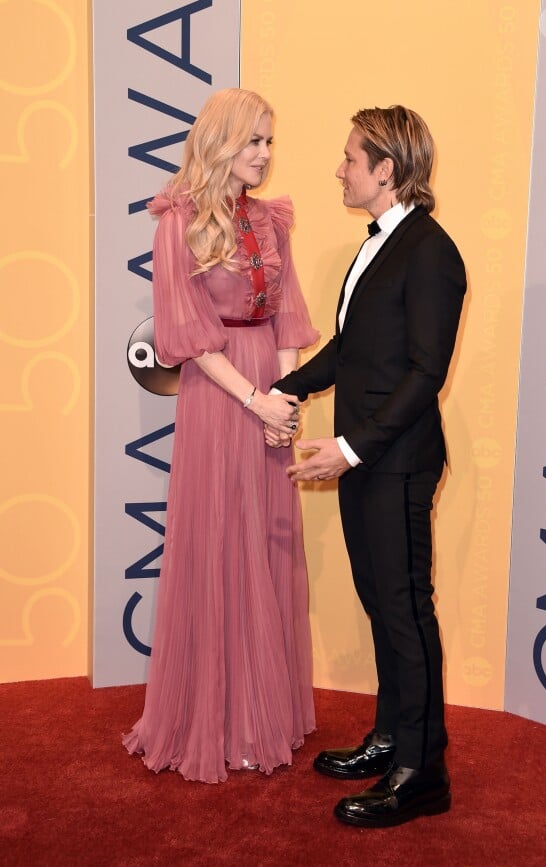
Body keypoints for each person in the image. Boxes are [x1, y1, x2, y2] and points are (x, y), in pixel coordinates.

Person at [270, 105, 466, 827]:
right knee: (385, 606)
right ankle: (392, 737)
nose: (340, 169)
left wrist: (350, 448)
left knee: (407, 611)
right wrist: (283, 388)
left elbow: (426, 373)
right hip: (365, 459)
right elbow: (351, 350)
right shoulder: (381, 244)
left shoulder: (431, 252)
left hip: (398, 461)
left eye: (351, 158)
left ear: (387, 170)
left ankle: (423, 771)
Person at [123, 88, 318, 784]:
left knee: (264, 538)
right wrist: (256, 400)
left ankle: (261, 714)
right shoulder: (176, 222)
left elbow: (290, 316)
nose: (264, 154)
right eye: (253, 141)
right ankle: (213, 717)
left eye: (269, 141)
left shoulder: (272, 220)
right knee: (217, 540)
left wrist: (285, 397)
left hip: (270, 388)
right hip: (220, 394)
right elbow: (185, 334)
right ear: (220, 142)